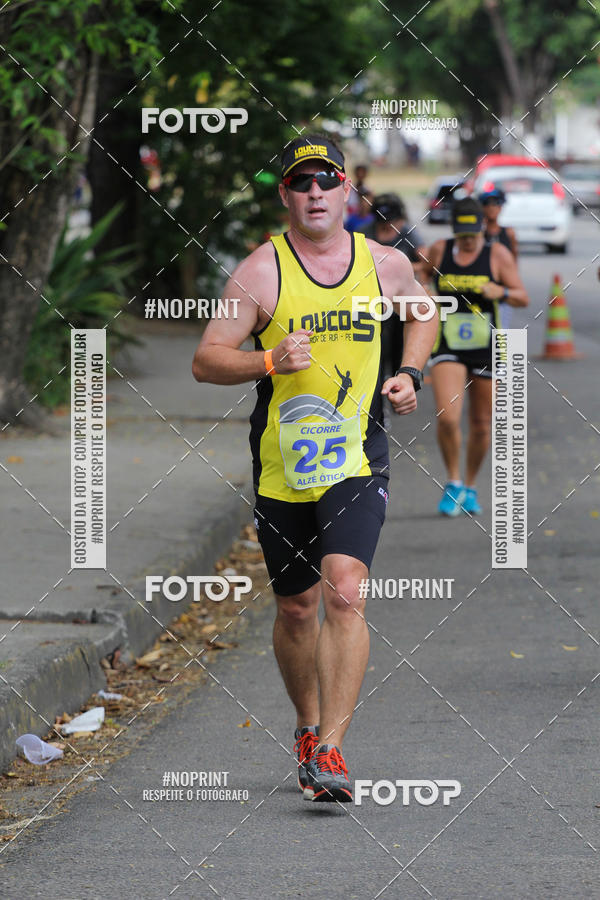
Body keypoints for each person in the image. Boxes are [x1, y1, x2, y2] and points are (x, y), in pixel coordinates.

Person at [192, 134, 438, 802]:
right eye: (301, 183)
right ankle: (306, 726)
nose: (315, 193)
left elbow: (423, 313)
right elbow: (207, 358)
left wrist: (411, 372)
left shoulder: (383, 263)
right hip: (282, 462)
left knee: (344, 590)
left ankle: (331, 749)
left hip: (358, 455)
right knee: (297, 607)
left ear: (345, 190)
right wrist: (267, 360)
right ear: (285, 195)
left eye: (326, 181)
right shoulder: (260, 273)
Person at [421, 196, 528, 516]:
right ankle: (452, 481)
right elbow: (423, 273)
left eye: (473, 235)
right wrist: (425, 287)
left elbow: (523, 296)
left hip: (488, 347)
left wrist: (503, 292)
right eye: (462, 235)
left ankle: (469, 485)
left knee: (481, 425)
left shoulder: (497, 254)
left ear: (482, 229)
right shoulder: (441, 249)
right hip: (448, 345)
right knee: (448, 416)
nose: (467, 241)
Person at [361, 193, 428, 382]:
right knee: (375, 346)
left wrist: (400, 268)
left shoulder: (408, 233)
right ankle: (376, 386)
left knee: (399, 343)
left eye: (393, 221)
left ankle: (400, 379)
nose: (388, 226)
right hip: (371, 300)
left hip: (400, 299)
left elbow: (426, 262)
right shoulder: (365, 232)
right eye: (383, 222)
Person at [479, 187, 519, 329]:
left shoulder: (508, 232)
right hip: (482, 288)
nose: (491, 208)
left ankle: (507, 351)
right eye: (487, 205)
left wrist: (512, 284)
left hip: (502, 290)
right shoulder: (478, 234)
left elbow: (514, 260)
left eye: (496, 204)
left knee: (503, 333)